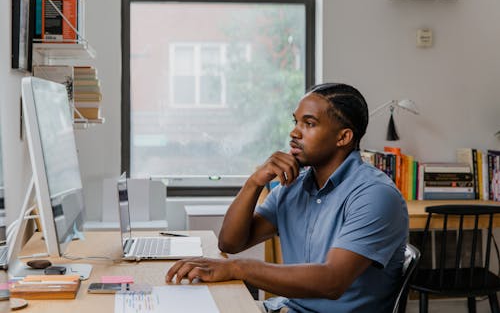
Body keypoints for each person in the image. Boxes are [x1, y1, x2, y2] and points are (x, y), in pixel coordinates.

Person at [166, 83, 409, 313]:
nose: (294, 132)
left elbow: (332, 282)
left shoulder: (375, 195)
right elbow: (230, 243)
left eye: (309, 124)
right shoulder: (294, 186)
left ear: (343, 137)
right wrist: (254, 183)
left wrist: (238, 268)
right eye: (296, 122)